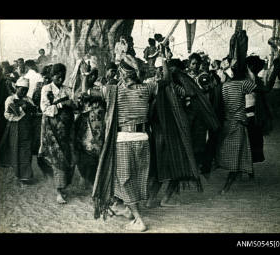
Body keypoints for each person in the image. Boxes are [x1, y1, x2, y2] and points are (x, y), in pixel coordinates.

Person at [84, 47, 172, 232]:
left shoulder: (112, 90)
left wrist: (85, 75)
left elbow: (86, 92)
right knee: (138, 177)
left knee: (123, 179)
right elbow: (166, 79)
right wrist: (163, 59)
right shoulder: (147, 88)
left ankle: (138, 219)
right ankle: (126, 209)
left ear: (122, 73)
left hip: (123, 139)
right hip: (143, 139)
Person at [146, 56, 220, 208]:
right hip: (174, 135)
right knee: (181, 167)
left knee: (160, 169)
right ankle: (165, 199)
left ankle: (149, 200)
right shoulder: (175, 88)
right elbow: (190, 97)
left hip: (159, 133)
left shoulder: (156, 86)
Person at [216, 52, 280, 194]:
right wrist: (276, 69)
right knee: (238, 155)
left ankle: (238, 177)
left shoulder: (225, 85)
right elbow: (266, 89)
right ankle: (226, 188)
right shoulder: (244, 84)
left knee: (237, 153)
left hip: (229, 123)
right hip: (240, 123)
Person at [39, 63, 77, 204]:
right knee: (57, 158)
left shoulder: (67, 89)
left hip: (67, 130)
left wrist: (72, 104)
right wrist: (62, 104)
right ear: (52, 76)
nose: (60, 77)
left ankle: (64, 187)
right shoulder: (46, 89)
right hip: (52, 130)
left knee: (68, 156)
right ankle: (59, 191)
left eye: (62, 74)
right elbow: (45, 109)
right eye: (57, 74)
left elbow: (74, 105)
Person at [71, 60, 106, 190]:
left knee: (97, 152)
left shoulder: (99, 89)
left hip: (98, 126)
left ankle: (95, 181)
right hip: (85, 127)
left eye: (93, 75)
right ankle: (84, 178)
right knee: (84, 153)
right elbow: (82, 98)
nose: (92, 77)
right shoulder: (79, 90)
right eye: (89, 75)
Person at [0, 77, 37, 186]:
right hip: (15, 128)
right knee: (16, 151)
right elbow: (9, 115)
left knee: (26, 152)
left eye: (26, 89)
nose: (24, 92)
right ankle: (18, 177)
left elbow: (34, 111)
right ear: (16, 88)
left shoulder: (28, 99)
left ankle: (26, 176)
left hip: (27, 128)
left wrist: (30, 109)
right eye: (22, 89)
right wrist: (23, 108)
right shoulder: (10, 99)